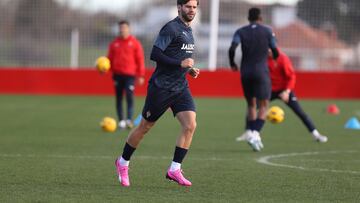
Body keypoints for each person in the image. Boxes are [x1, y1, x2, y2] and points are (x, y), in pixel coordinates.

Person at [115, 0, 200, 187]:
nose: (192, 10)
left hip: (180, 87)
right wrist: (180, 64)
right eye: (188, 6)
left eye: (194, 7)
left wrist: (188, 70)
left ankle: (174, 169)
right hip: (161, 88)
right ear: (179, 7)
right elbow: (155, 54)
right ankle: (122, 162)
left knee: (190, 124)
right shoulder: (171, 28)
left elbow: (181, 57)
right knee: (144, 127)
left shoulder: (189, 30)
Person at [228, 7, 279, 151]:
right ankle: (255, 133)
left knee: (251, 104)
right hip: (261, 72)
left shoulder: (241, 31)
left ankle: (250, 132)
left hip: (245, 72)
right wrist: (274, 57)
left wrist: (232, 64)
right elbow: (275, 49)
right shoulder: (267, 31)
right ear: (260, 18)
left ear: (248, 18)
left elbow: (232, 48)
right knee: (263, 105)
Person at [267, 49, 328, 142]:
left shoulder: (282, 59)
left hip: (284, 90)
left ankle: (316, 135)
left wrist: (287, 92)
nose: (267, 50)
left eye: (269, 48)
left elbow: (291, 77)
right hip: (269, 90)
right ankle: (252, 133)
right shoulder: (262, 58)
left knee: (300, 112)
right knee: (254, 108)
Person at [107, 20, 145, 129]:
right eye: (120, 28)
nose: (122, 30)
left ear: (128, 29)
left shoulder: (134, 43)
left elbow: (140, 59)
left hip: (130, 75)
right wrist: (104, 68)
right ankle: (121, 121)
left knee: (129, 96)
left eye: (124, 27)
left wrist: (141, 75)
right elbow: (109, 59)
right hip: (117, 75)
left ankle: (129, 119)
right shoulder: (114, 43)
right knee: (118, 97)